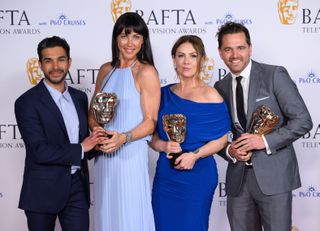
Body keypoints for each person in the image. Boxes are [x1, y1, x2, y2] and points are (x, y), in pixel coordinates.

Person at [214, 22, 313, 231]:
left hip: (274, 178)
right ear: (220, 53)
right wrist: (229, 151)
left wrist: (264, 141)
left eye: (240, 48)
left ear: (250, 48)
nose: (235, 55)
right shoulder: (220, 87)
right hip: (238, 182)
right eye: (228, 49)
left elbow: (303, 120)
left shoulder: (274, 75)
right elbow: (217, 135)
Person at [14, 36, 104, 231]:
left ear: (69, 62)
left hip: (77, 190)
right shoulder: (26, 102)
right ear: (40, 64)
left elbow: (83, 145)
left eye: (61, 59)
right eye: (48, 60)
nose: (55, 66)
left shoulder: (80, 97)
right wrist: (82, 147)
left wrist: (100, 143)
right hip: (41, 191)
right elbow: (40, 151)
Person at [149, 35, 231, 231]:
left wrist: (195, 156)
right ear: (174, 60)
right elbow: (151, 135)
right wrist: (162, 145)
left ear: (201, 60)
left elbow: (222, 139)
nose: (186, 61)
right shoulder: (162, 94)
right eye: (181, 55)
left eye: (193, 56)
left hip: (198, 177)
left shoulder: (210, 94)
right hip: (166, 177)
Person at [88, 12, 160, 231]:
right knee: (106, 215)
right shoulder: (105, 70)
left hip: (130, 155)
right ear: (116, 39)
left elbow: (151, 121)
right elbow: (93, 112)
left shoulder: (146, 72)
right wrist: (98, 133)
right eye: (124, 35)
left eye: (136, 37)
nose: (130, 43)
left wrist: (123, 138)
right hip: (104, 154)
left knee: (130, 215)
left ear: (143, 41)